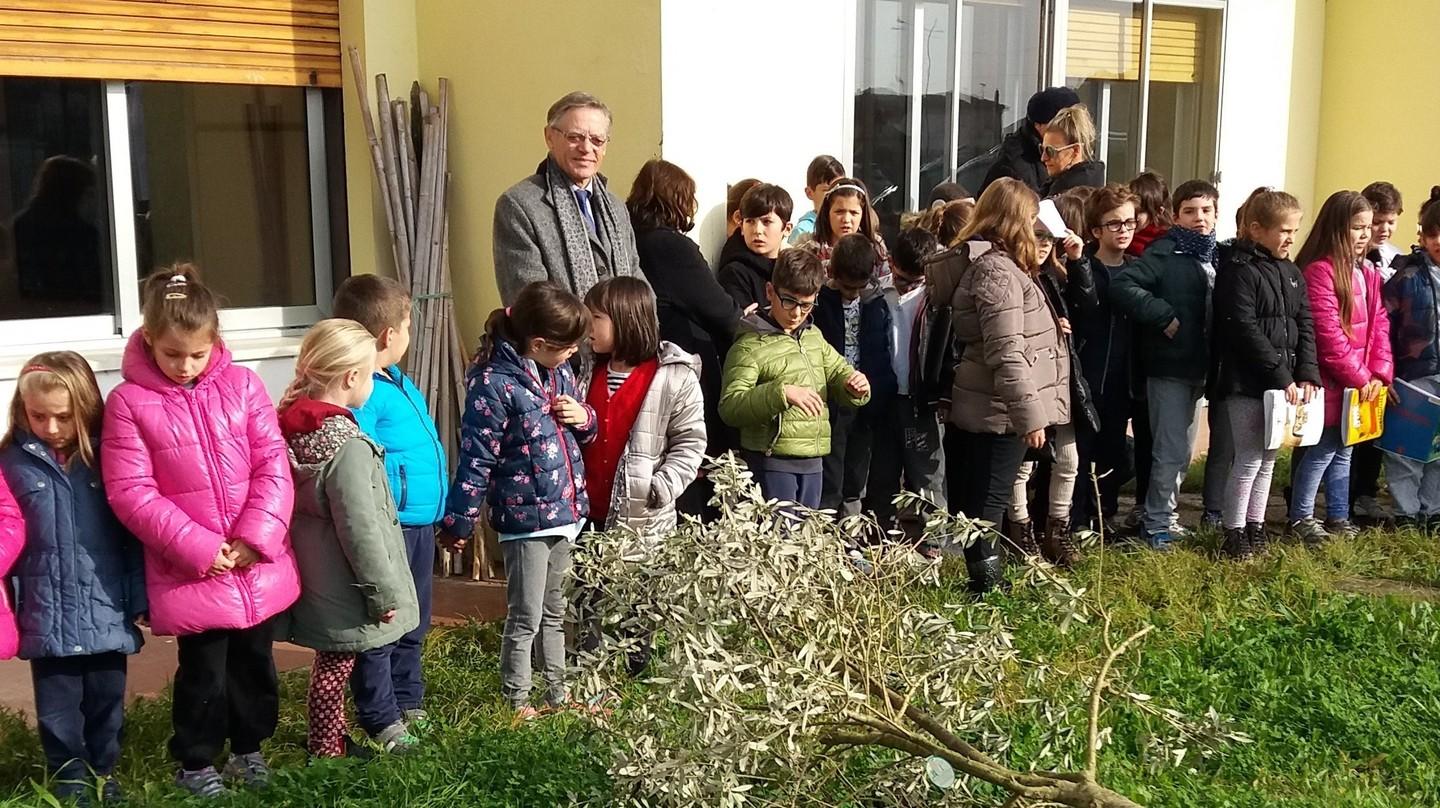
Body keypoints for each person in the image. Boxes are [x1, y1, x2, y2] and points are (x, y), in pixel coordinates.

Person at [101, 265, 298, 798]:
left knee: (256, 663)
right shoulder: (128, 404)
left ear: (215, 341)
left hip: (254, 563)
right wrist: (202, 548)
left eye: (196, 354)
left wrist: (257, 537)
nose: (184, 366)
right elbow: (131, 491)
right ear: (147, 340)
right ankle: (195, 760)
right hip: (193, 570)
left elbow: (272, 466)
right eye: (171, 355)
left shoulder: (244, 385)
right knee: (204, 673)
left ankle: (249, 748)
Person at [438, 282, 594, 720]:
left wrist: (585, 418)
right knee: (524, 615)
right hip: (525, 520)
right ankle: (517, 701)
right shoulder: (492, 383)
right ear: (538, 343)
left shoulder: (558, 370)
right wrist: (460, 523)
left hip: (565, 512)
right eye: (566, 346)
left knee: (555, 611)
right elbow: (476, 457)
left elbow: (584, 431)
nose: (572, 354)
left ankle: (557, 696)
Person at [1, 355, 146, 804]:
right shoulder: (9, 463)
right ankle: (69, 776)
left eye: (63, 416)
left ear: (85, 409)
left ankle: (104, 770)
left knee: (106, 699)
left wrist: (141, 595)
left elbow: (133, 534)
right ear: (20, 409)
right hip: (45, 607)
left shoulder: (108, 459)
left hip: (105, 602)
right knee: (57, 707)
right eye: (37, 415)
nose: (50, 426)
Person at [278, 320, 419, 759]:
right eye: (371, 373)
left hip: (314, 573)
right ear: (351, 378)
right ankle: (326, 748)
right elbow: (362, 528)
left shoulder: (292, 429)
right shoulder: (349, 447)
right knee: (336, 665)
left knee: (330, 662)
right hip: (350, 582)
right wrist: (382, 591)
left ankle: (330, 738)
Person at [928, 178, 1070, 593]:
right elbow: (1008, 351)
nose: (1034, 227)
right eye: (1030, 218)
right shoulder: (998, 271)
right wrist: (1030, 416)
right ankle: (987, 587)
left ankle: (984, 582)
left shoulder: (994, 265)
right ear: (1013, 220)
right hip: (998, 409)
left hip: (987, 402)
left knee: (978, 502)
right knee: (987, 503)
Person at [330, 275, 443, 750]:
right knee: (385, 621)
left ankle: (407, 698)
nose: (410, 335)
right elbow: (357, 450)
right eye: (408, 326)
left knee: (414, 616)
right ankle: (380, 712)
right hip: (391, 526)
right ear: (387, 336)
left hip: (418, 525)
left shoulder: (396, 380)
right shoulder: (366, 391)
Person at [627, 160, 742, 514]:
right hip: (685, 363)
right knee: (691, 456)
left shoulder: (629, 239)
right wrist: (745, 318)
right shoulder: (672, 246)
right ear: (677, 199)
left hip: (643, 365)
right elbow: (719, 310)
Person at [1210, 189, 1319, 559]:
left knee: (1270, 457)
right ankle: (1234, 531)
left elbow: (1304, 323)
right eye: (1284, 231)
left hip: (1283, 383)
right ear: (1257, 230)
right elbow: (1243, 328)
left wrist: (1305, 373)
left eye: (1295, 230)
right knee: (1249, 459)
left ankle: (1256, 526)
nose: (1291, 238)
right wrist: (1280, 375)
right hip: (1246, 383)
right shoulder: (1238, 271)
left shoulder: (1291, 272)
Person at [1111, 180, 1220, 550]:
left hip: (1201, 366)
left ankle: (1166, 516)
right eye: (1189, 211)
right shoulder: (1165, 251)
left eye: (1206, 211)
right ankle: (1157, 522)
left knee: (1185, 450)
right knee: (1169, 448)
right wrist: (1162, 315)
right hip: (1169, 366)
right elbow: (1124, 285)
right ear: (1176, 216)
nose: (1198, 218)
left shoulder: (1215, 256)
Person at [719, 249, 871, 510]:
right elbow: (730, 407)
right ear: (770, 291)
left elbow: (838, 372)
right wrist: (781, 393)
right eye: (788, 301)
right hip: (772, 463)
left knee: (805, 542)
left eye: (807, 304)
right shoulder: (750, 344)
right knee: (778, 543)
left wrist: (856, 386)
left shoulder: (813, 336)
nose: (797, 313)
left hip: (814, 461)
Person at [1287, 191, 1391, 544]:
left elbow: (1379, 325)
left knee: (1345, 450)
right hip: (1332, 382)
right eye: (1356, 227)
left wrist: (1378, 374)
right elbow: (1327, 335)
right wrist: (1361, 377)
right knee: (1321, 451)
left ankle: (1337, 516)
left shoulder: (1369, 271)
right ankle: (1301, 517)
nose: (1364, 234)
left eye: (1368, 227)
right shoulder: (1320, 272)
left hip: (1359, 384)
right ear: (1336, 228)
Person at [581, 277, 707, 535]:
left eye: (596, 317)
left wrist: (661, 487)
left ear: (626, 320)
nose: (586, 325)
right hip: (584, 516)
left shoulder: (673, 377)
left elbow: (690, 443)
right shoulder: (586, 371)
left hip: (642, 523)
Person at [493, 91, 642, 304]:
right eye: (575, 137)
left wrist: (641, 330)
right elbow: (530, 303)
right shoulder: (520, 205)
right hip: (564, 337)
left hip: (626, 336)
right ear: (549, 137)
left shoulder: (616, 208)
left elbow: (637, 282)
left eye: (597, 140)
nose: (586, 148)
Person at [1011, 199, 1096, 565]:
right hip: (1030, 382)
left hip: (1061, 381)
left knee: (1068, 458)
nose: (1043, 244)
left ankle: (1056, 532)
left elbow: (1087, 307)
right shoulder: (1014, 275)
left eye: (1049, 238)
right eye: (1037, 235)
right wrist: (1046, 331)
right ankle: (1021, 531)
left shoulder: (1054, 276)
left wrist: (1078, 262)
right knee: (1024, 463)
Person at [866, 227, 947, 540]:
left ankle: (934, 542)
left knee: (927, 472)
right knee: (882, 471)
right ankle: (880, 532)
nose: (907, 287)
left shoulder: (937, 300)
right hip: (884, 397)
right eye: (901, 279)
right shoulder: (877, 294)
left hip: (919, 399)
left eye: (916, 282)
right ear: (890, 263)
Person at [1071, 184, 1139, 533]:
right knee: (1082, 453)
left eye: (1129, 222)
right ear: (1096, 230)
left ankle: (1104, 516)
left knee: (1113, 449)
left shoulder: (1139, 269)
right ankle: (1077, 519)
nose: (1124, 230)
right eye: (1115, 224)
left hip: (1122, 378)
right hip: (1087, 374)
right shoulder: (1083, 268)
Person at [815, 234, 897, 518]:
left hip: (866, 401)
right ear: (832, 274)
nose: (851, 294)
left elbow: (883, 350)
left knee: (857, 471)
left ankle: (850, 530)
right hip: (832, 401)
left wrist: (880, 393)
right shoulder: (821, 303)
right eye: (846, 287)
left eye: (858, 288)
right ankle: (826, 530)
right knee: (831, 469)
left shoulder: (876, 303)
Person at [1381, 187, 1440, 530]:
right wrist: (1386, 374)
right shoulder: (1406, 277)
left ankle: (1432, 512)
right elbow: (1383, 329)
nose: (1438, 241)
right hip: (1412, 376)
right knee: (1406, 450)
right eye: (1432, 234)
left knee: (1437, 451)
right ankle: (1405, 513)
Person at [1352, 181, 1405, 522]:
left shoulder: (1400, 260)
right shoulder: (1352, 258)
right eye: (1376, 222)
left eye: (1390, 221)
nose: (1382, 229)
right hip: (1353, 357)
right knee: (1342, 434)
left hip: (1386, 356)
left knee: (1373, 430)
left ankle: (1365, 492)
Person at [979, 86, 1080, 196]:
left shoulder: (1077, 156)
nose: (1072, 129)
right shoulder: (1017, 164)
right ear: (1039, 125)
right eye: (1062, 123)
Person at [718, 183, 794, 311]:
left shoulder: (794, 269)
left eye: (766, 222)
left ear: (787, 229)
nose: (757, 230)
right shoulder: (735, 273)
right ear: (741, 226)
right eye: (750, 221)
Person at [804, 178, 892, 281]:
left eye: (853, 213)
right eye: (839, 212)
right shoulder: (812, 251)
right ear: (827, 212)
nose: (846, 220)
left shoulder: (876, 249)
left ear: (862, 214)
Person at [1041, 105, 1106, 195]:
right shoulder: (1058, 185)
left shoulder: (1070, 197)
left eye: (1050, 151)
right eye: (1042, 149)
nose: (1043, 158)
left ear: (1075, 151)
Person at [789, 155, 846, 245]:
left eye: (838, 189)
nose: (834, 196)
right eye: (827, 190)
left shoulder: (847, 225)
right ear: (809, 193)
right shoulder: (803, 231)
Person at [1363, 181, 1405, 274]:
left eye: (1391, 222)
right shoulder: (1348, 258)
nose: (1385, 229)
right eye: (1376, 222)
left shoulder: (1396, 257)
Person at [1128, 171, 1172, 257]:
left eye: (1139, 211)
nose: (1132, 216)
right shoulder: (1121, 236)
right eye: (1129, 209)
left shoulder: (1165, 241)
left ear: (1158, 212)